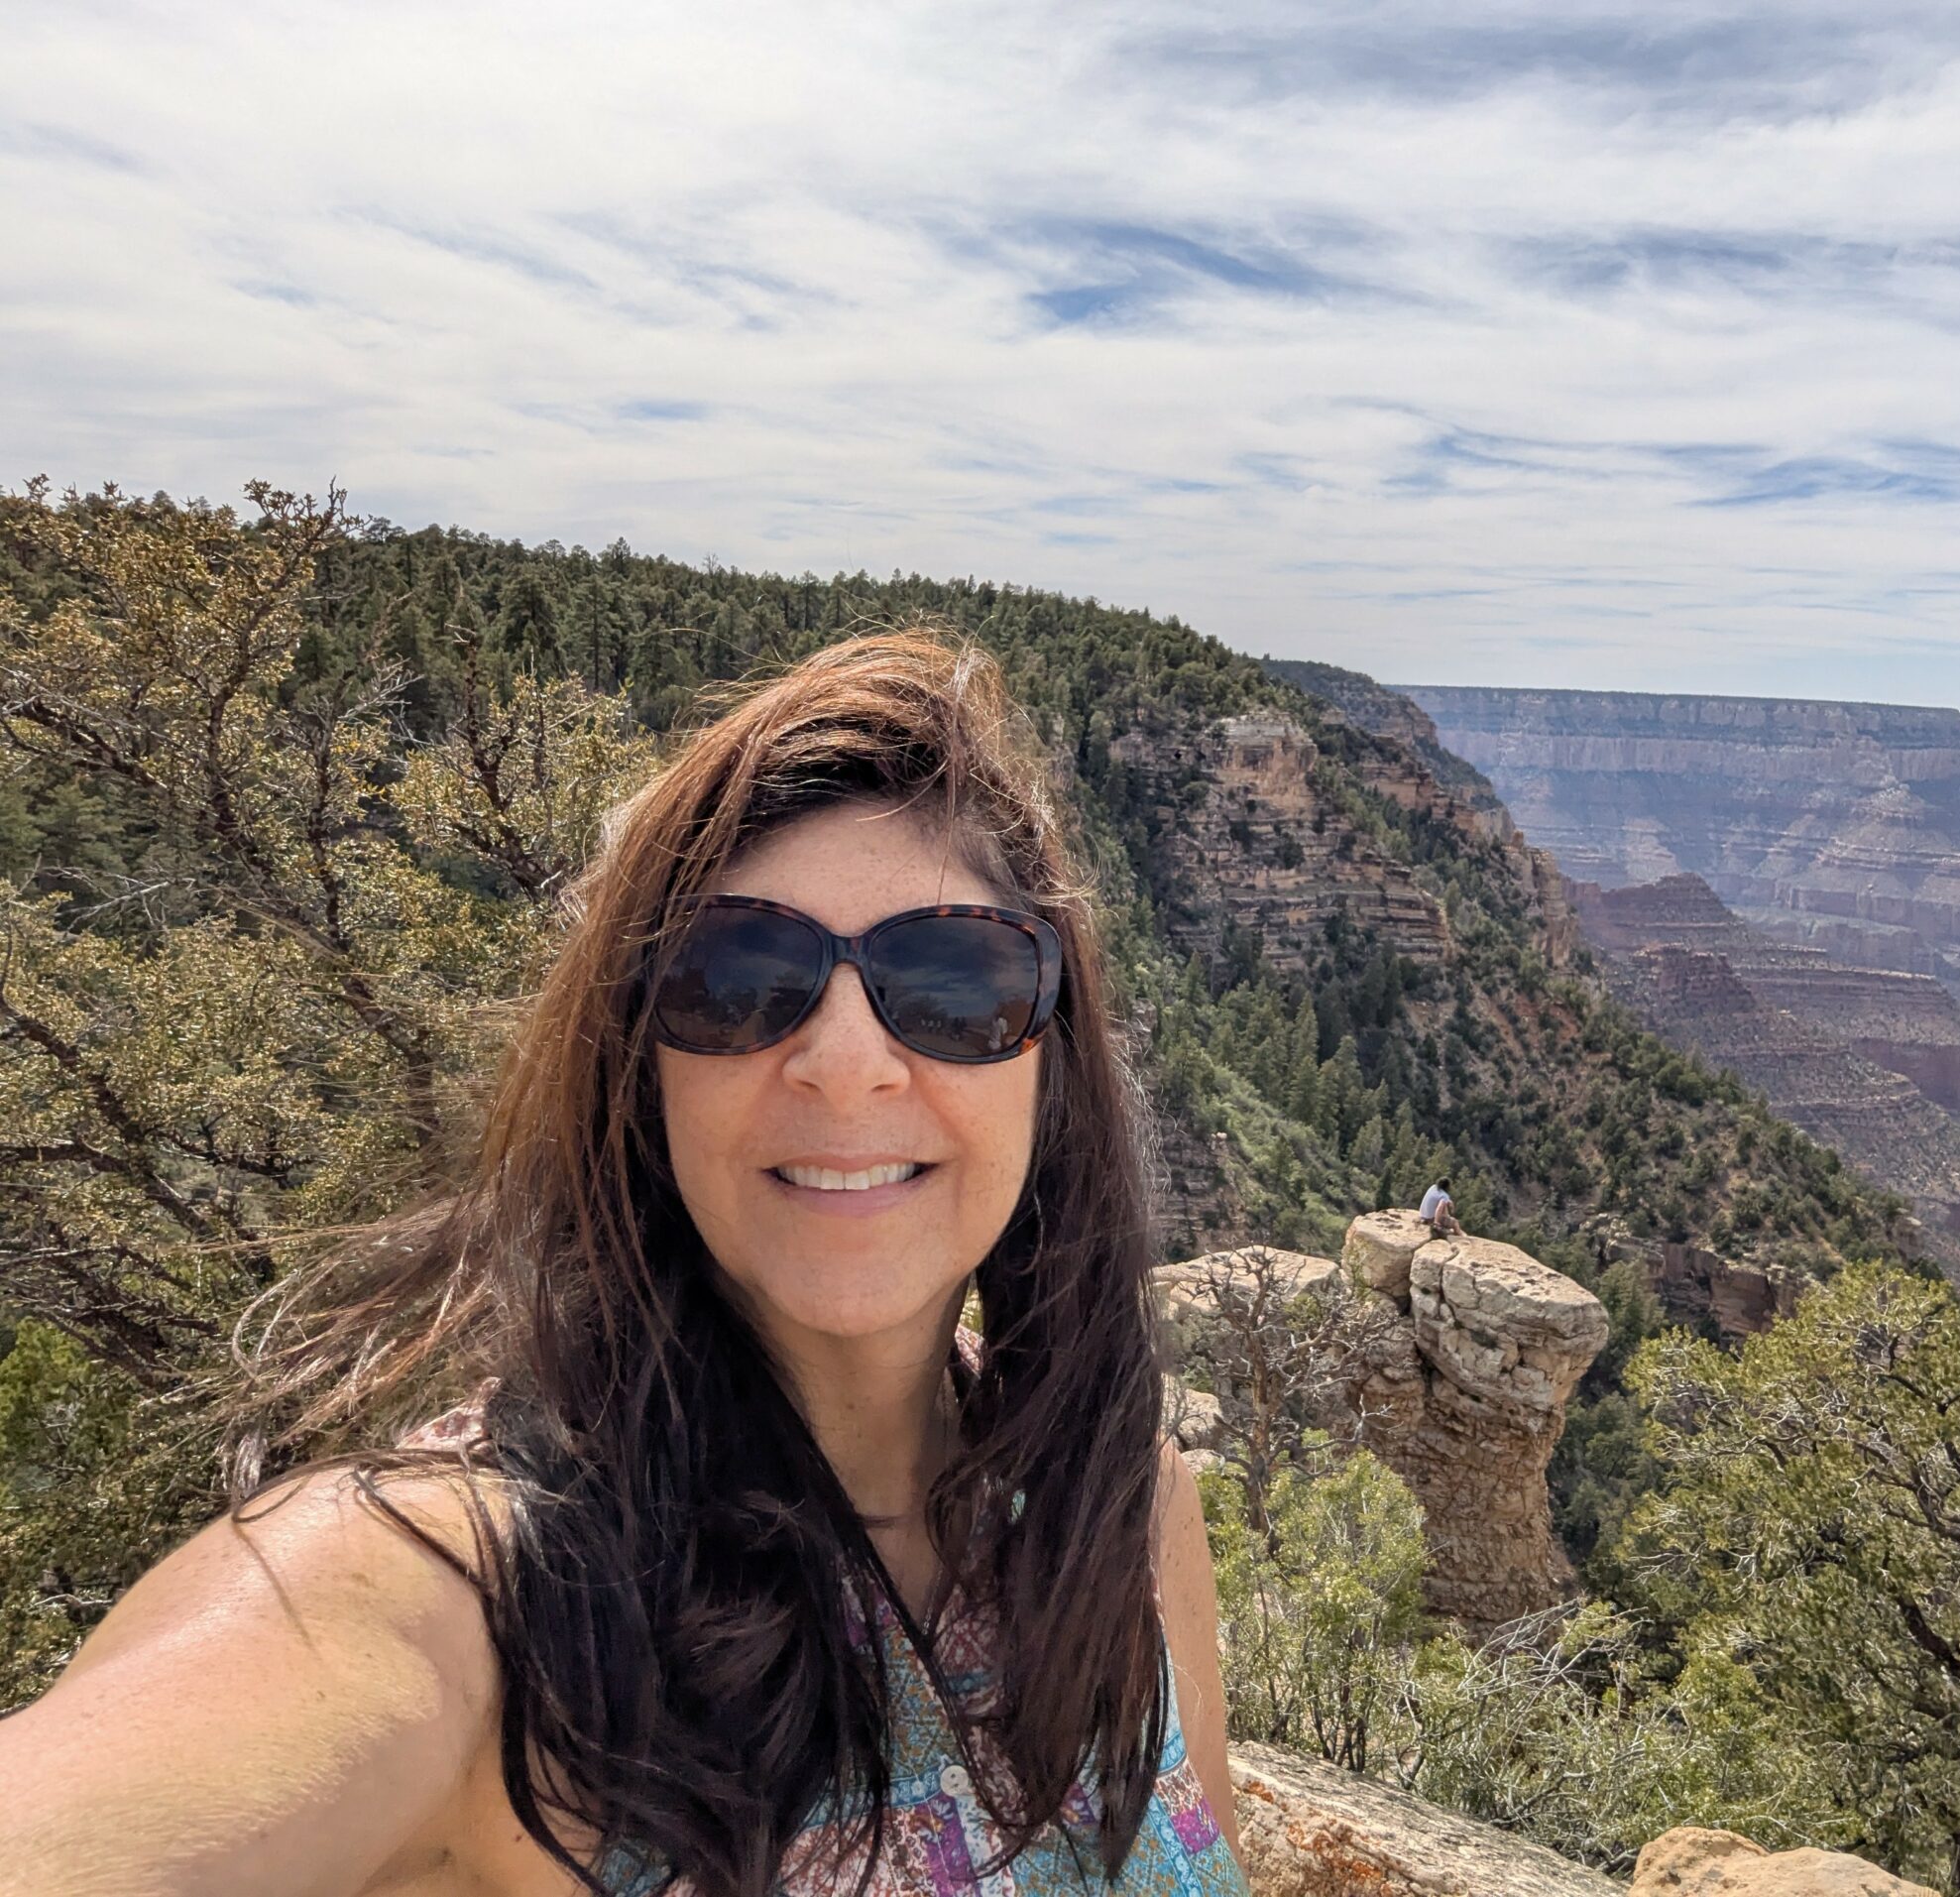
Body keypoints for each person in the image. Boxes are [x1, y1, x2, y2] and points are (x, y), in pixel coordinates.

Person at [0, 633, 1249, 1896]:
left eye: (953, 975)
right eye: (738, 974)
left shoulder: (1123, 1509)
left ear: (1050, 1061)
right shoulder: (472, 1591)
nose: (846, 1057)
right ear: (641, 1073)